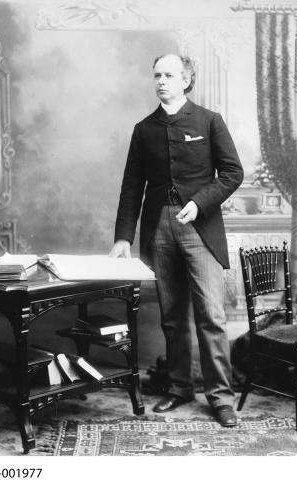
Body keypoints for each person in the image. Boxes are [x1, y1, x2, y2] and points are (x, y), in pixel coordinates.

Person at [110, 53, 243, 427]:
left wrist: (199, 205)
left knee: (211, 316)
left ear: (186, 80)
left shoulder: (208, 121)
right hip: (158, 229)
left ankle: (220, 398)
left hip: (199, 226)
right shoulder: (144, 129)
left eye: (169, 75)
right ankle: (180, 387)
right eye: (157, 75)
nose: (161, 81)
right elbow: (132, 186)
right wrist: (123, 237)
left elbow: (233, 173)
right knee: (172, 317)